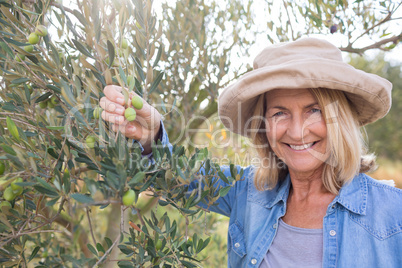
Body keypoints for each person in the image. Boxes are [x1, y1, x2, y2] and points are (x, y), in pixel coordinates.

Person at [100, 37, 402, 267]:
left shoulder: (394, 214)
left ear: (341, 121)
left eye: (314, 110)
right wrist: (152, 133)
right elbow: (180, 180)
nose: (297, 132)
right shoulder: (250, 192)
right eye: (280, 113)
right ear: (264, 128)